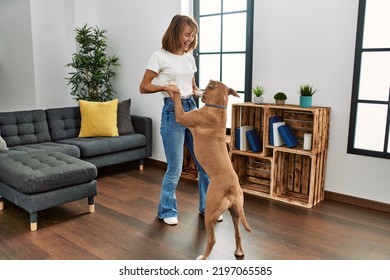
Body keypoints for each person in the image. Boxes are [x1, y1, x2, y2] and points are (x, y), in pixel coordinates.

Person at [139, 14, 222, 226]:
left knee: (204, 163)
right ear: (176, 32)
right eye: (186, 34)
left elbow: (192, 87)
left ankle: (208, 208)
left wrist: (202, 93)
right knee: (175, 167)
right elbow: (144, 86)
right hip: (171, 111)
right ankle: (166, 210)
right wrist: (165, 87)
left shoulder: (188, 57)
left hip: (192, 109)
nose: (189, 39)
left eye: (193, 36)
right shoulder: (159, 56)